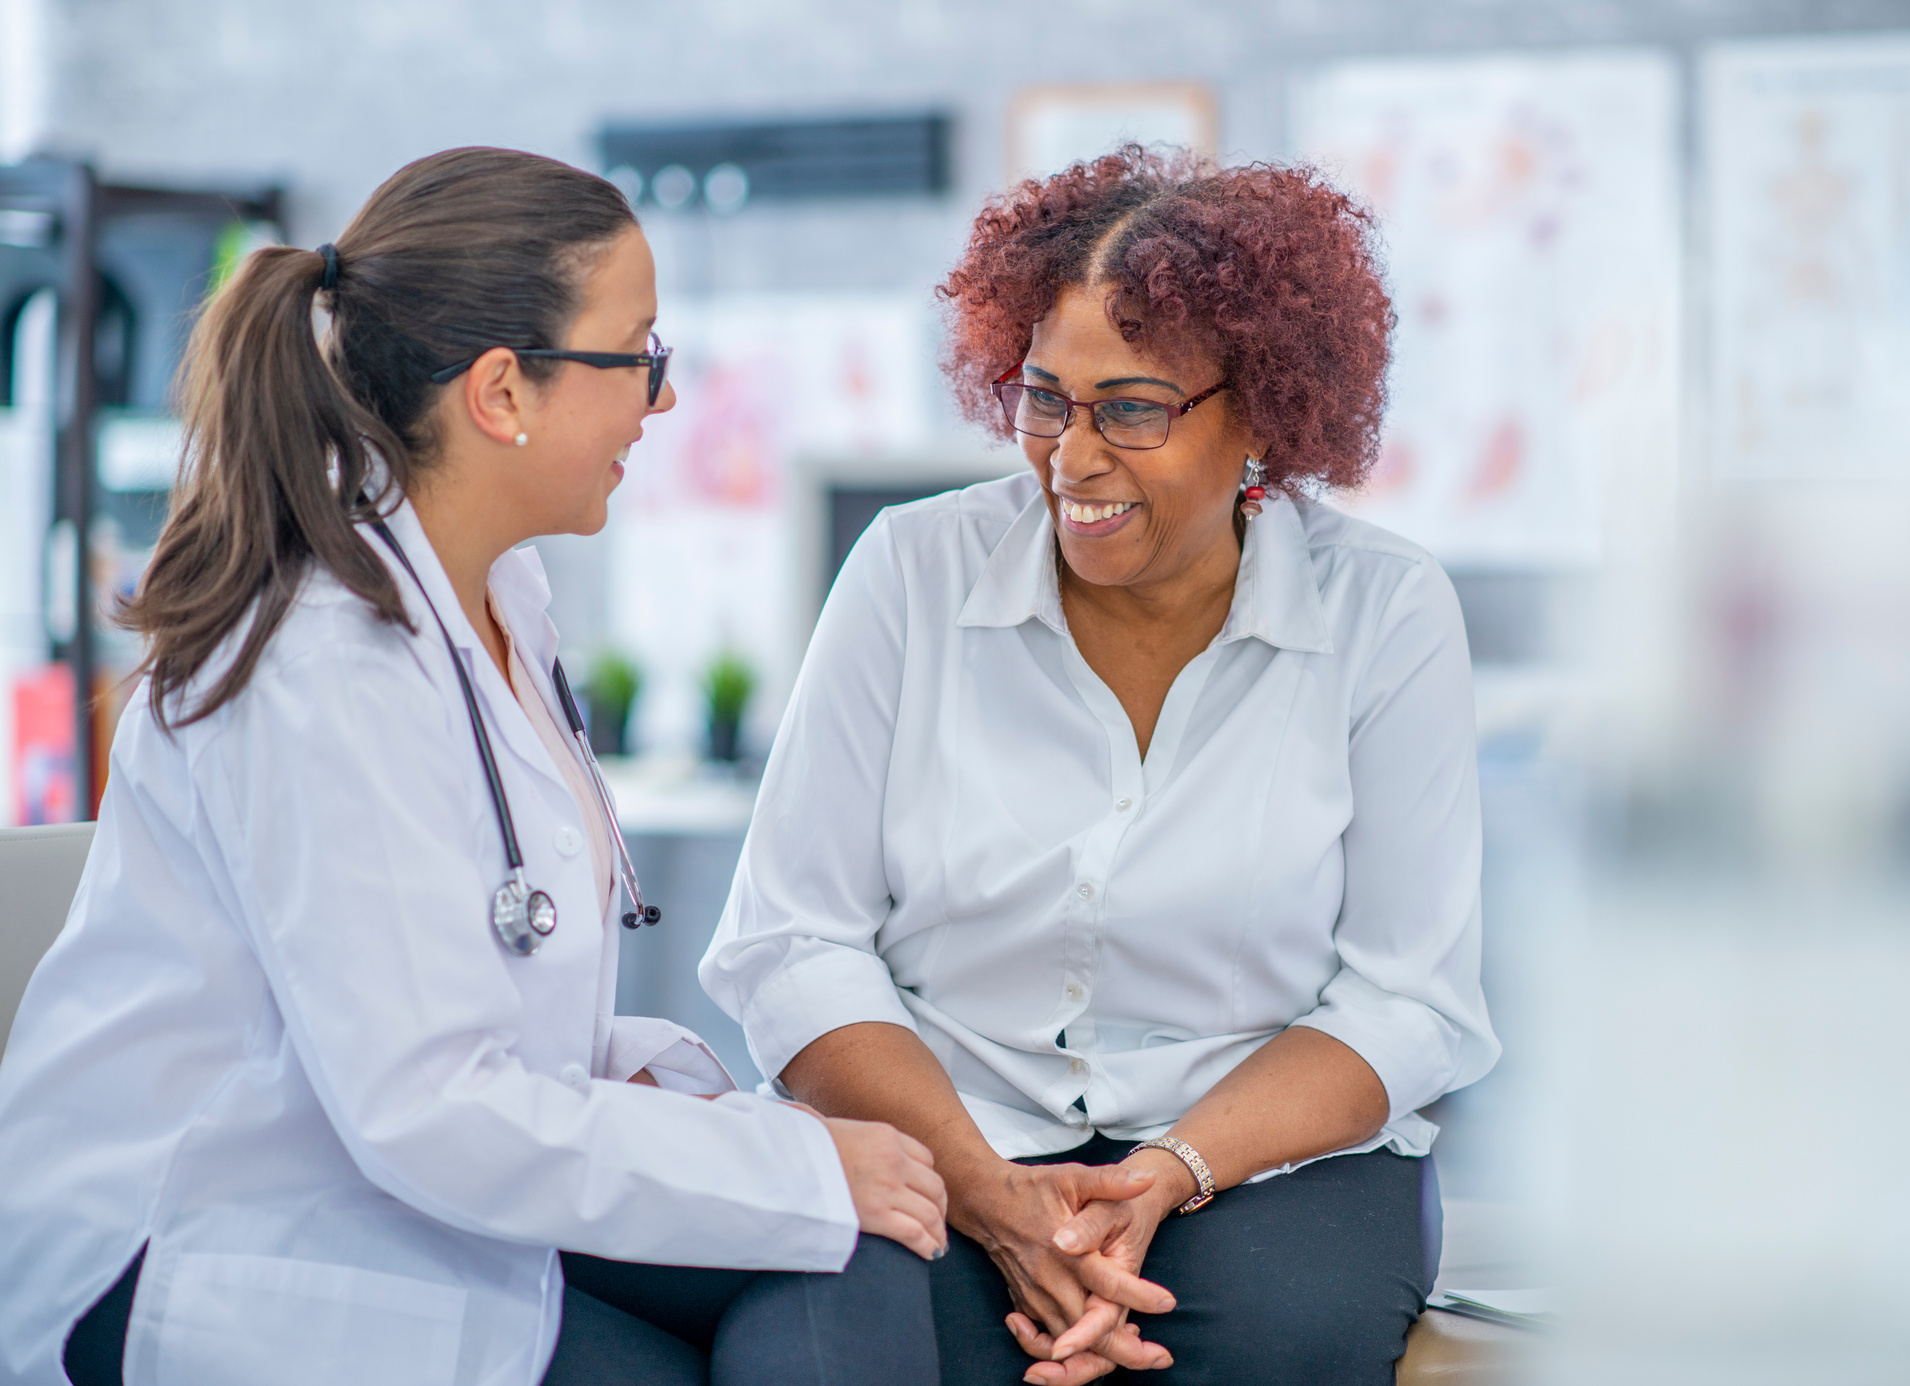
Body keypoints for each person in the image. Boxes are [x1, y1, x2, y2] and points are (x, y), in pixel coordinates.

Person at [0, 148, 945, 1386]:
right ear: (503, 392)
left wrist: (717, 1115)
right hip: (216, 1243)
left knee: (857, 1261)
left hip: (406, 1173)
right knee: (826, 1233)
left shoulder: (498, 593)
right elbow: (428, 1105)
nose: (661, 403)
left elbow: (468, 988)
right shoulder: (319, 661)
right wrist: (797, 1165)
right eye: (639, 355)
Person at [700, 146, 1502, 1385]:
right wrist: (982, 1189)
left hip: (1256, 1158)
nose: (1071, 460)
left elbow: (1407, 998)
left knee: (1276, 1345)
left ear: (1263, 416)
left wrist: (1168, 1170)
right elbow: (794, 942)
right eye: (1044, 399)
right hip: (936, 1127)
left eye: (1131, 409)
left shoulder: (1386, 613)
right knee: (861, 1340)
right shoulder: (912, 574)